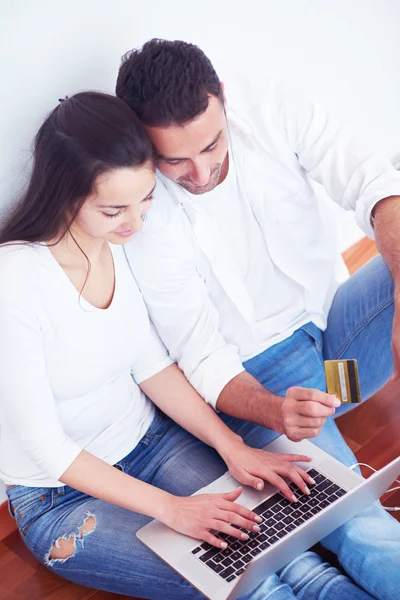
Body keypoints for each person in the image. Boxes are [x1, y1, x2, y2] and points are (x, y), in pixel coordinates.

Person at [0, 92, 371, 600]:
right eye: (114, 209)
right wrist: (172, 509)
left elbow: (152, 366)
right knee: (252, 585)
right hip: (60, 497)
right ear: (66, 196)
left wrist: (230, 445)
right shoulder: (15, 283)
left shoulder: (118, 246)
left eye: (146, 198)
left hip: (156, 445)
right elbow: (47, 448)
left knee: (293, 556)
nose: (135, 222)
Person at [116, 39, 400, 599]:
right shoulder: (142, 215)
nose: (198, 172)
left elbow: (375, 182)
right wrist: (275, 410)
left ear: (222, 100)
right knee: (353, 516)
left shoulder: (272, 103)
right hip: (264, 384)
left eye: (211, 144)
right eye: (174, 160)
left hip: (338, 350)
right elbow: (200, 355)